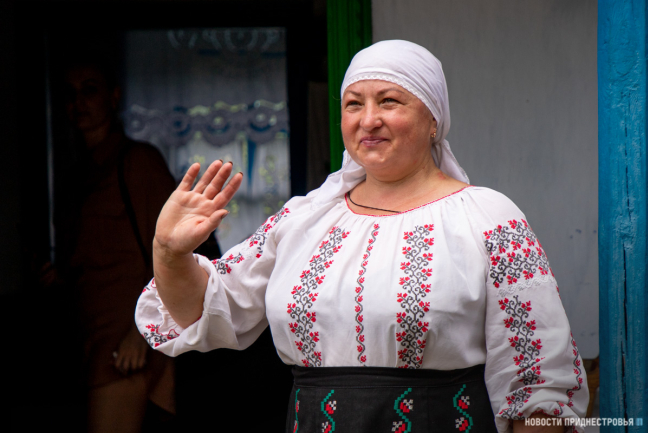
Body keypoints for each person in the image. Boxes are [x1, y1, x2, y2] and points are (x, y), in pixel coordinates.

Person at [135, 40, 588, 432]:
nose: (368, 120)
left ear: (434, 119)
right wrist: (169, 252)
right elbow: (209, 311)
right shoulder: (304, 219)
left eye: (389, 101)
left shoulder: (488, 218)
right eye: (354, 104)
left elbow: (539, 376)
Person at [53, 58, 177, 432]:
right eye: (70, 94)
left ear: (113, 96)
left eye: (89, 90)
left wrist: (142, 333)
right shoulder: (78, 175)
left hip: (126, 343)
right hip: (89, 338)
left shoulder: (137, 162)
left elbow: (178, 251)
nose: (79, 101)